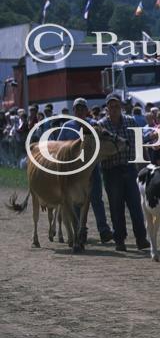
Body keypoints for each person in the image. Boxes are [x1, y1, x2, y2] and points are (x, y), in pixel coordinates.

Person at [56, 97, 113, 244]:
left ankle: (103, 230)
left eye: (82, 108)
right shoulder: (67, 127)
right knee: (76, 201)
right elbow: (60, 146)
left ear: (86, 110)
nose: (80, 111)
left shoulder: (94, 125)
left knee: (96, 199)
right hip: (74, 171)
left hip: (92, 169)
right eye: (77, 108)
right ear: (73, 110)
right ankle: (81, 230)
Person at [98, 93, 149, 252]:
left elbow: (138, 146)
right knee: (116, 207)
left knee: (135, 206)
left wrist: (142, 167)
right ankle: (120, 240)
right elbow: (100, 151)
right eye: (111, 106)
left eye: (116, 106)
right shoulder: (101, 126)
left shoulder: (131, 121)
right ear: (107, 108)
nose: (114, 109)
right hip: (111, 171)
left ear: (121, 107)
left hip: (129, 169)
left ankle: (141, 239)